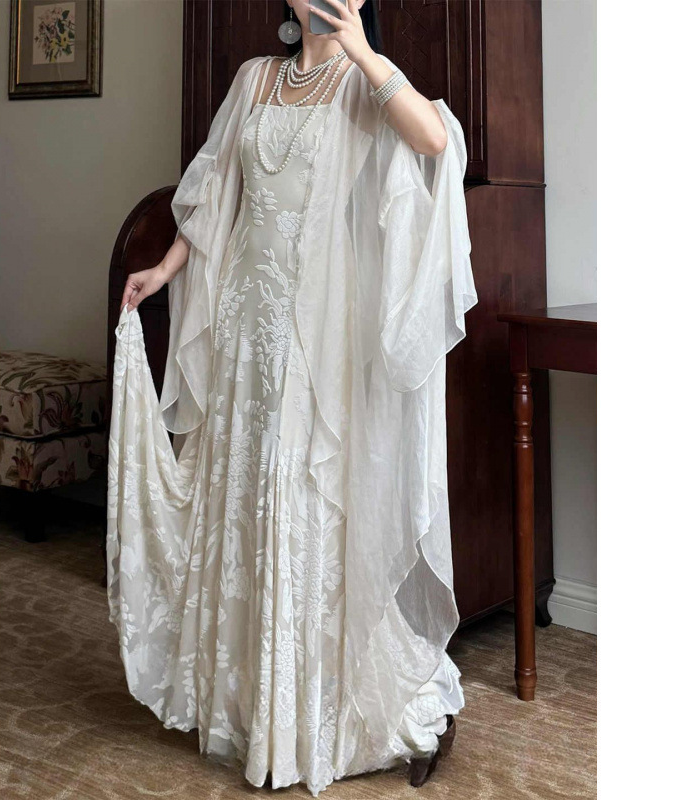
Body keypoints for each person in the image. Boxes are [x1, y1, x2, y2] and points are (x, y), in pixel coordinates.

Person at [107, 1, 477, 795]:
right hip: (245, 326)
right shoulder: (253, 79)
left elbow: (434, 142)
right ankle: (246, 707)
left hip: (316, 335)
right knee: (242, 493)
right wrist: (164, 270)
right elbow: (217, 192)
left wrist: (364, 52)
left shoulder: (365, 84)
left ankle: (306, 714)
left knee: (302, 493)